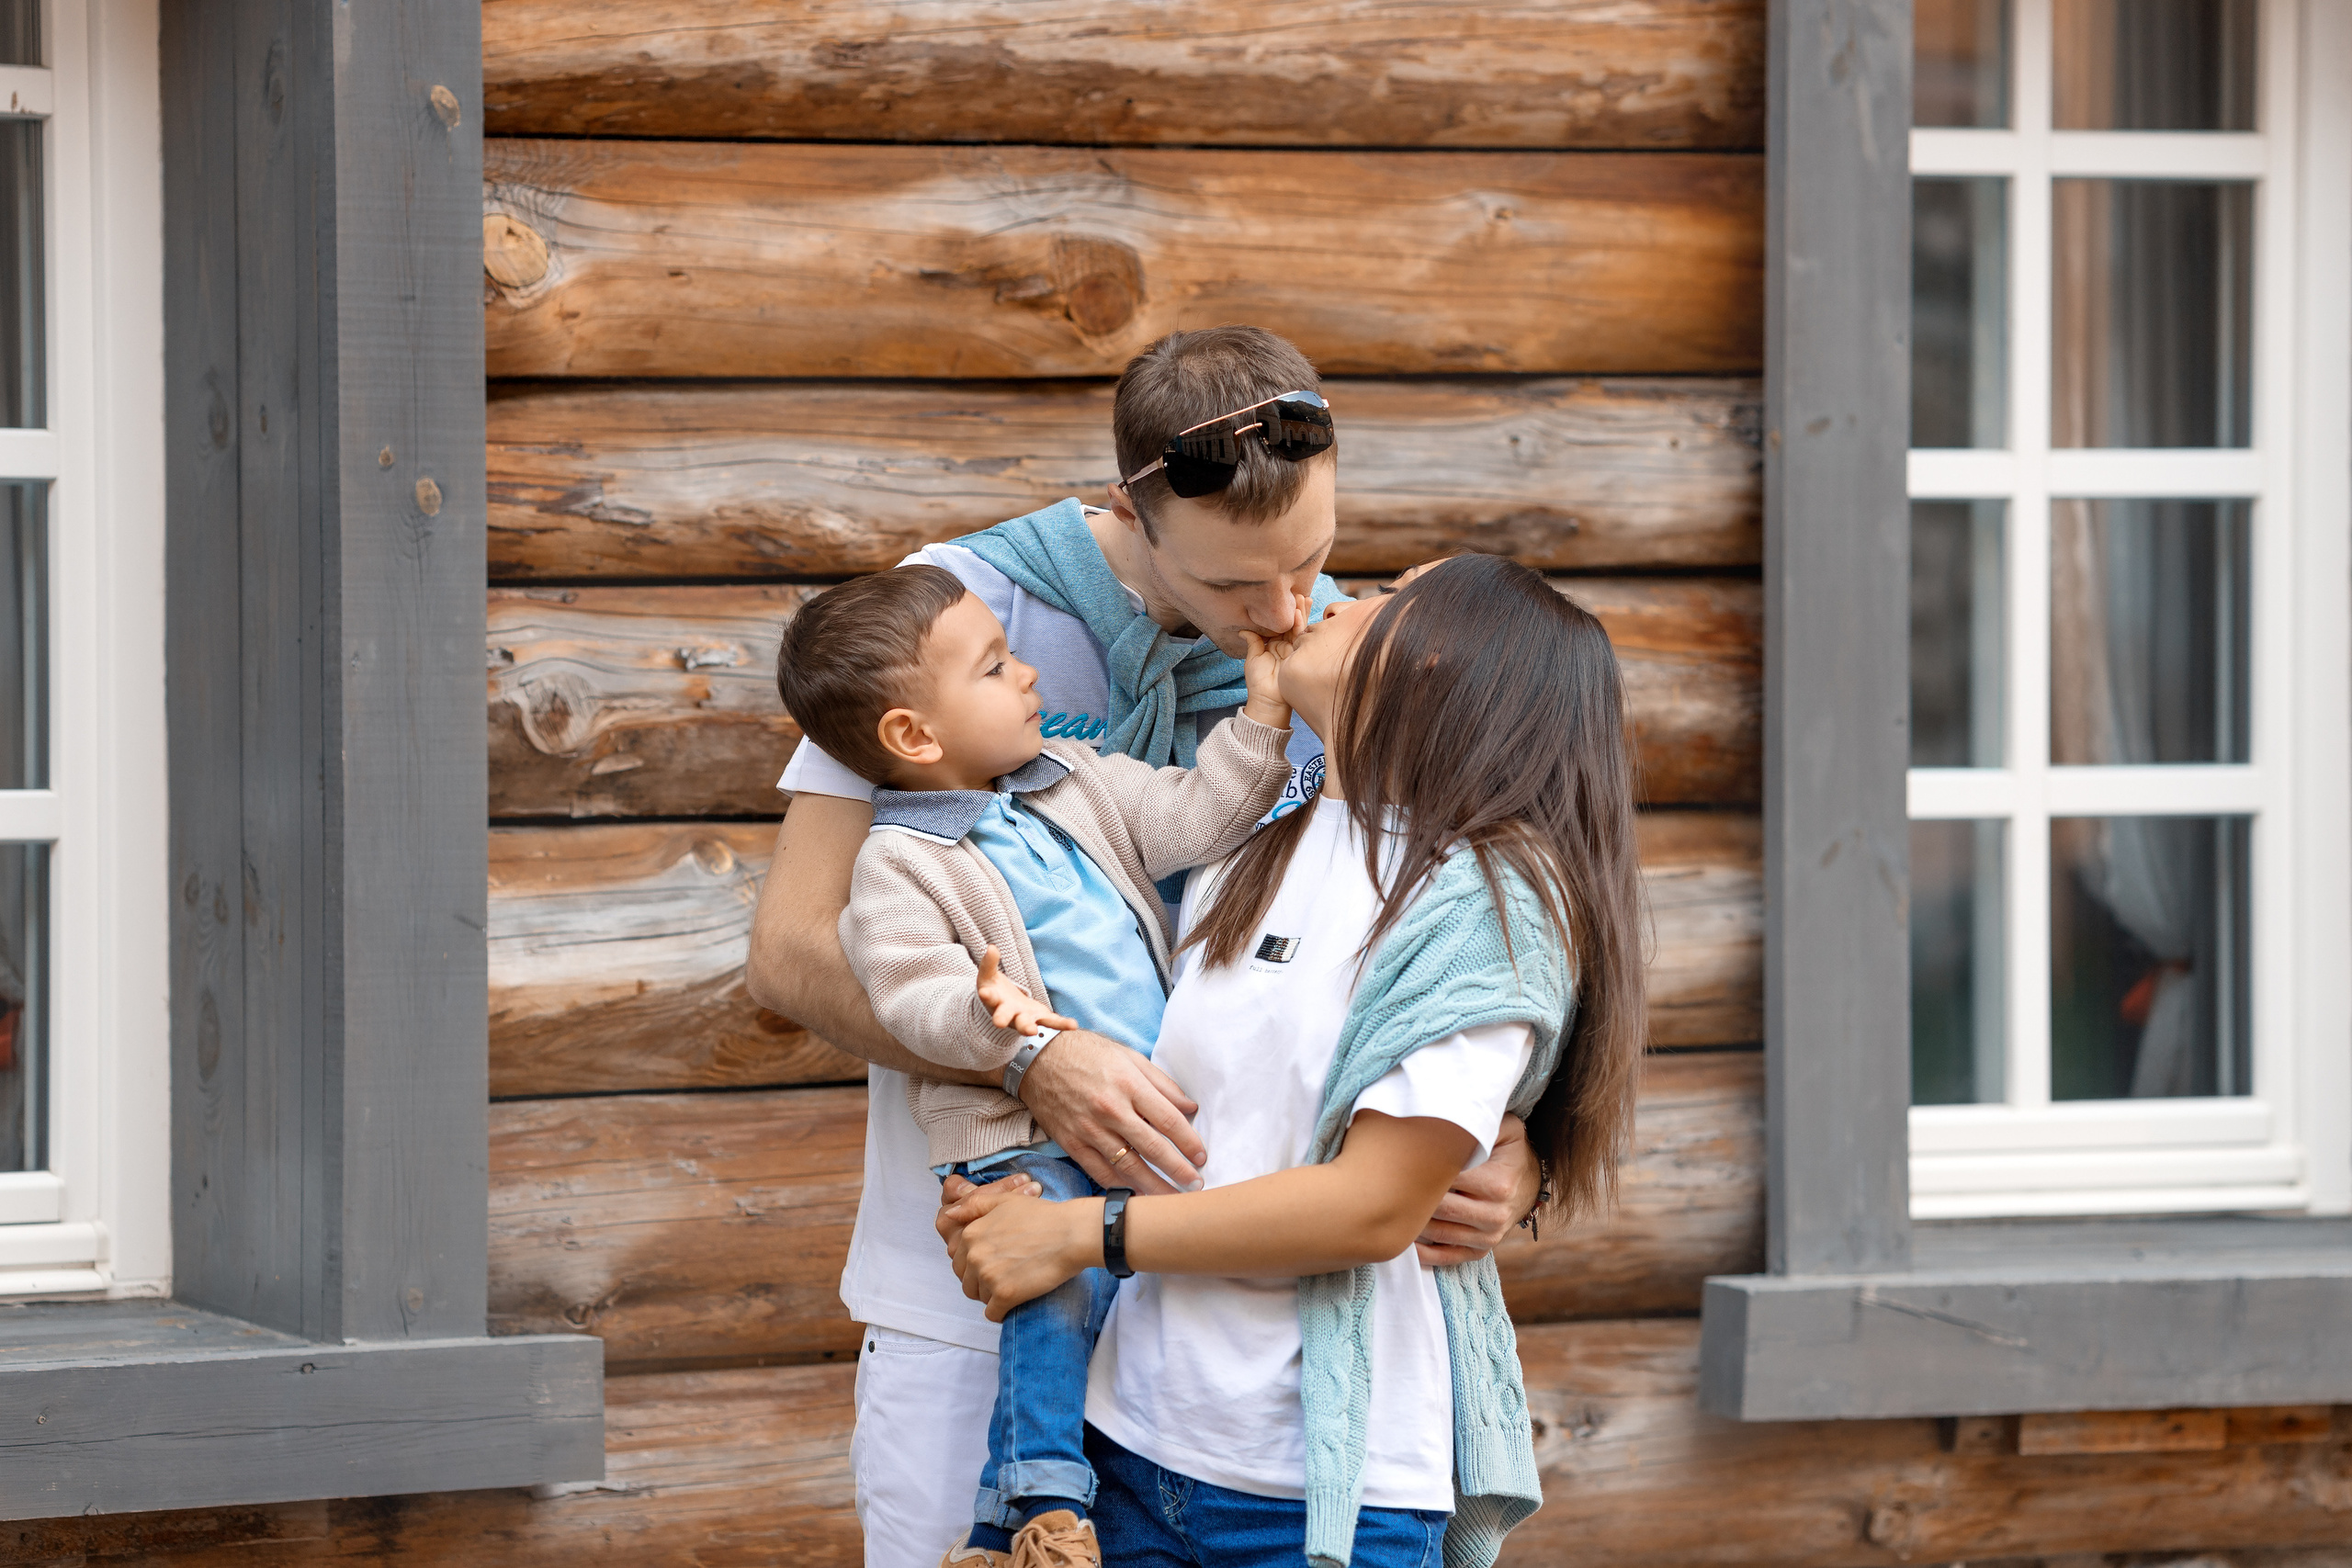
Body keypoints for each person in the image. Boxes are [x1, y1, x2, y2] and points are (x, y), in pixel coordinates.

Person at [743, 326, 1545, 1568]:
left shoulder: (1340, 651)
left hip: (1211, 1325)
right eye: (1234, 590)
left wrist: (1513, 1142)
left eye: (1317, 562)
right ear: (1132, 509)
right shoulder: (951, 612)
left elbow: (1456, 924)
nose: (1282, 612)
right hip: (985, 1259)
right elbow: (794, 950)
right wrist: (1033, 1058)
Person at [940, 555, 1647, 1568]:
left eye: (1384, 596)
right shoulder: (1261, 827)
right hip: (1128, 1442)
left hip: (1317, 1491)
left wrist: (1075, 1234)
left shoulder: (1483, 901)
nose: (1332, 600)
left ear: (1435, 657)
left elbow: (1368, 1208)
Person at [772, 561, 1303, 1568]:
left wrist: (1266, 723)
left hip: (1132, 1124)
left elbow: (1197, 815)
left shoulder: (1078, 781)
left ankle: (987, 1537)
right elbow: (906, 991)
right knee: (1054, 1302)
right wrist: (1007, 1032)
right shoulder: (900, 864)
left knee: (1116, 1309)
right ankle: (1044, 1502)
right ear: (914, 737)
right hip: (1016, 1137)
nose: (1029, 681)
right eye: (997, 668)